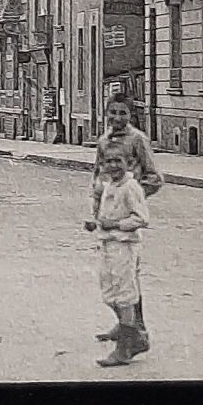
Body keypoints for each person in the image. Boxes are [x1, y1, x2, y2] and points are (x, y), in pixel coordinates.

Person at [91, 94, 162, 352]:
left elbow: (154, 177)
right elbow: (97, 176)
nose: (117, 118)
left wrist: (130, 196)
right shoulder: (103, 141)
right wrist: (97, 209)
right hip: (106, 221)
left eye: (123, 113)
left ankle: (137, 332)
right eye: (113, 112)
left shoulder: (137, 140)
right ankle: (124, 323)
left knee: (128, 277)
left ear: (131, 116)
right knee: (111, 276)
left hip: (127, 221)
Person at [85, 149, 151, 367]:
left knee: (124, 296)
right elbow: (109, 215)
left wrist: (117, 225)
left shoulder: (131, 187)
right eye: (108, 162)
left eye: (118, 161)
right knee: (109, 293)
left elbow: (141, 218)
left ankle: (123, 349)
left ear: (128, 163)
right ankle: (136, 337)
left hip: (124, 246)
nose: (113, 166)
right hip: (107, 244)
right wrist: (97, 224)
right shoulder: (110, 186)